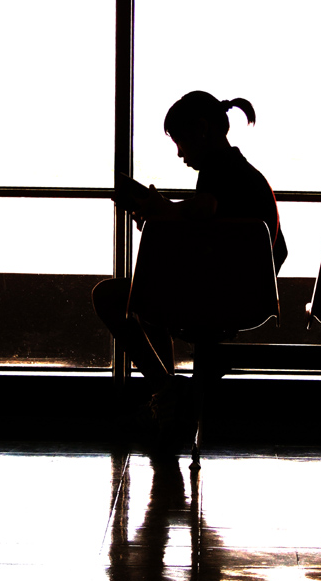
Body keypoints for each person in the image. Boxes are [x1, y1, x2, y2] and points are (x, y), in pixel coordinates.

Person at [92, 90, 287, 420]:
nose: (180, 153)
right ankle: (168, 397)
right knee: (147, 295)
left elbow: (204, 207)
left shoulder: (215, 169)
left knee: (111, 297)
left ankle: (165, 390)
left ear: (201, 129)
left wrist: (163, 211)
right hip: (249, 296)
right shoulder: (245, 175)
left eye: (180, 141)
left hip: (216, 296)